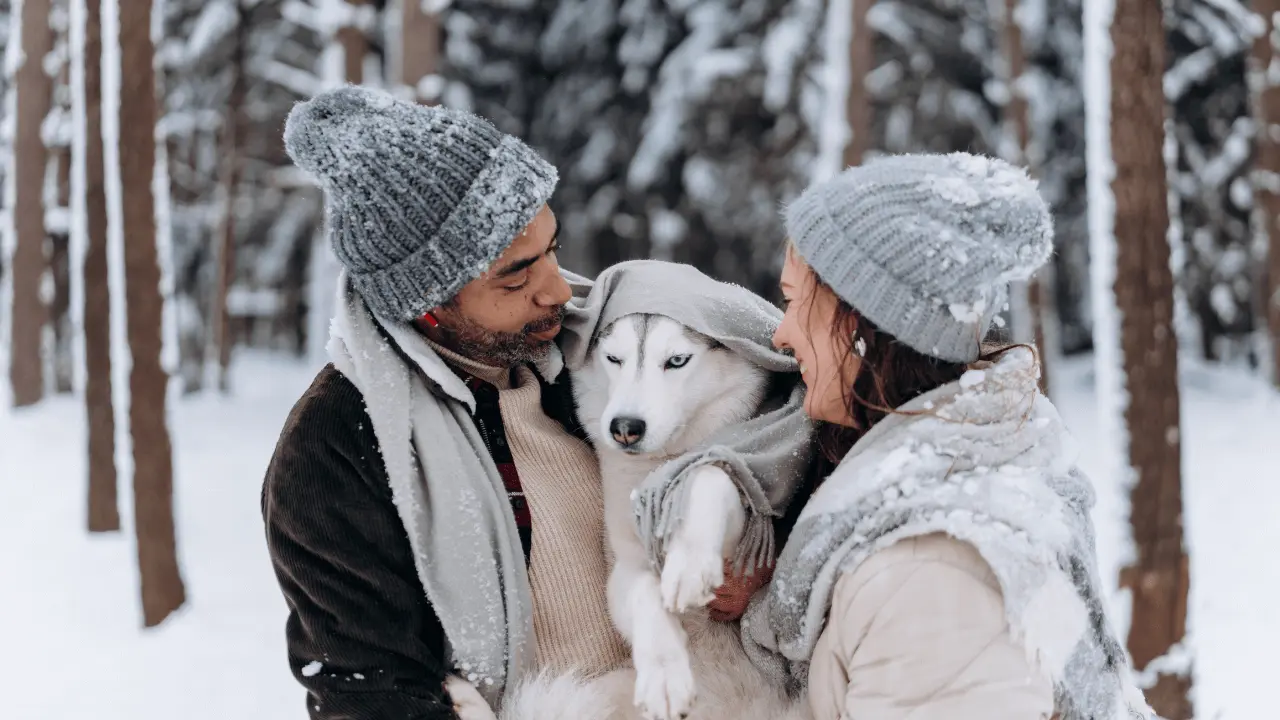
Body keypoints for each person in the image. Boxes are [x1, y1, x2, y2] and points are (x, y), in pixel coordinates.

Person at [261, 86, 766, 719]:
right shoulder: (337, 447)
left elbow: (762, 442)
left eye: (551, 248)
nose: (559, 290)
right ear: (427, 305)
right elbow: (369, 693)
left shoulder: (593, 349)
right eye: (517, 275)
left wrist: (751, 565)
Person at [742, 153, 1154, 720]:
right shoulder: (980, 474)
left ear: (863, 324)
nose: (782, 334)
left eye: (793, 302)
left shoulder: (929, 578)